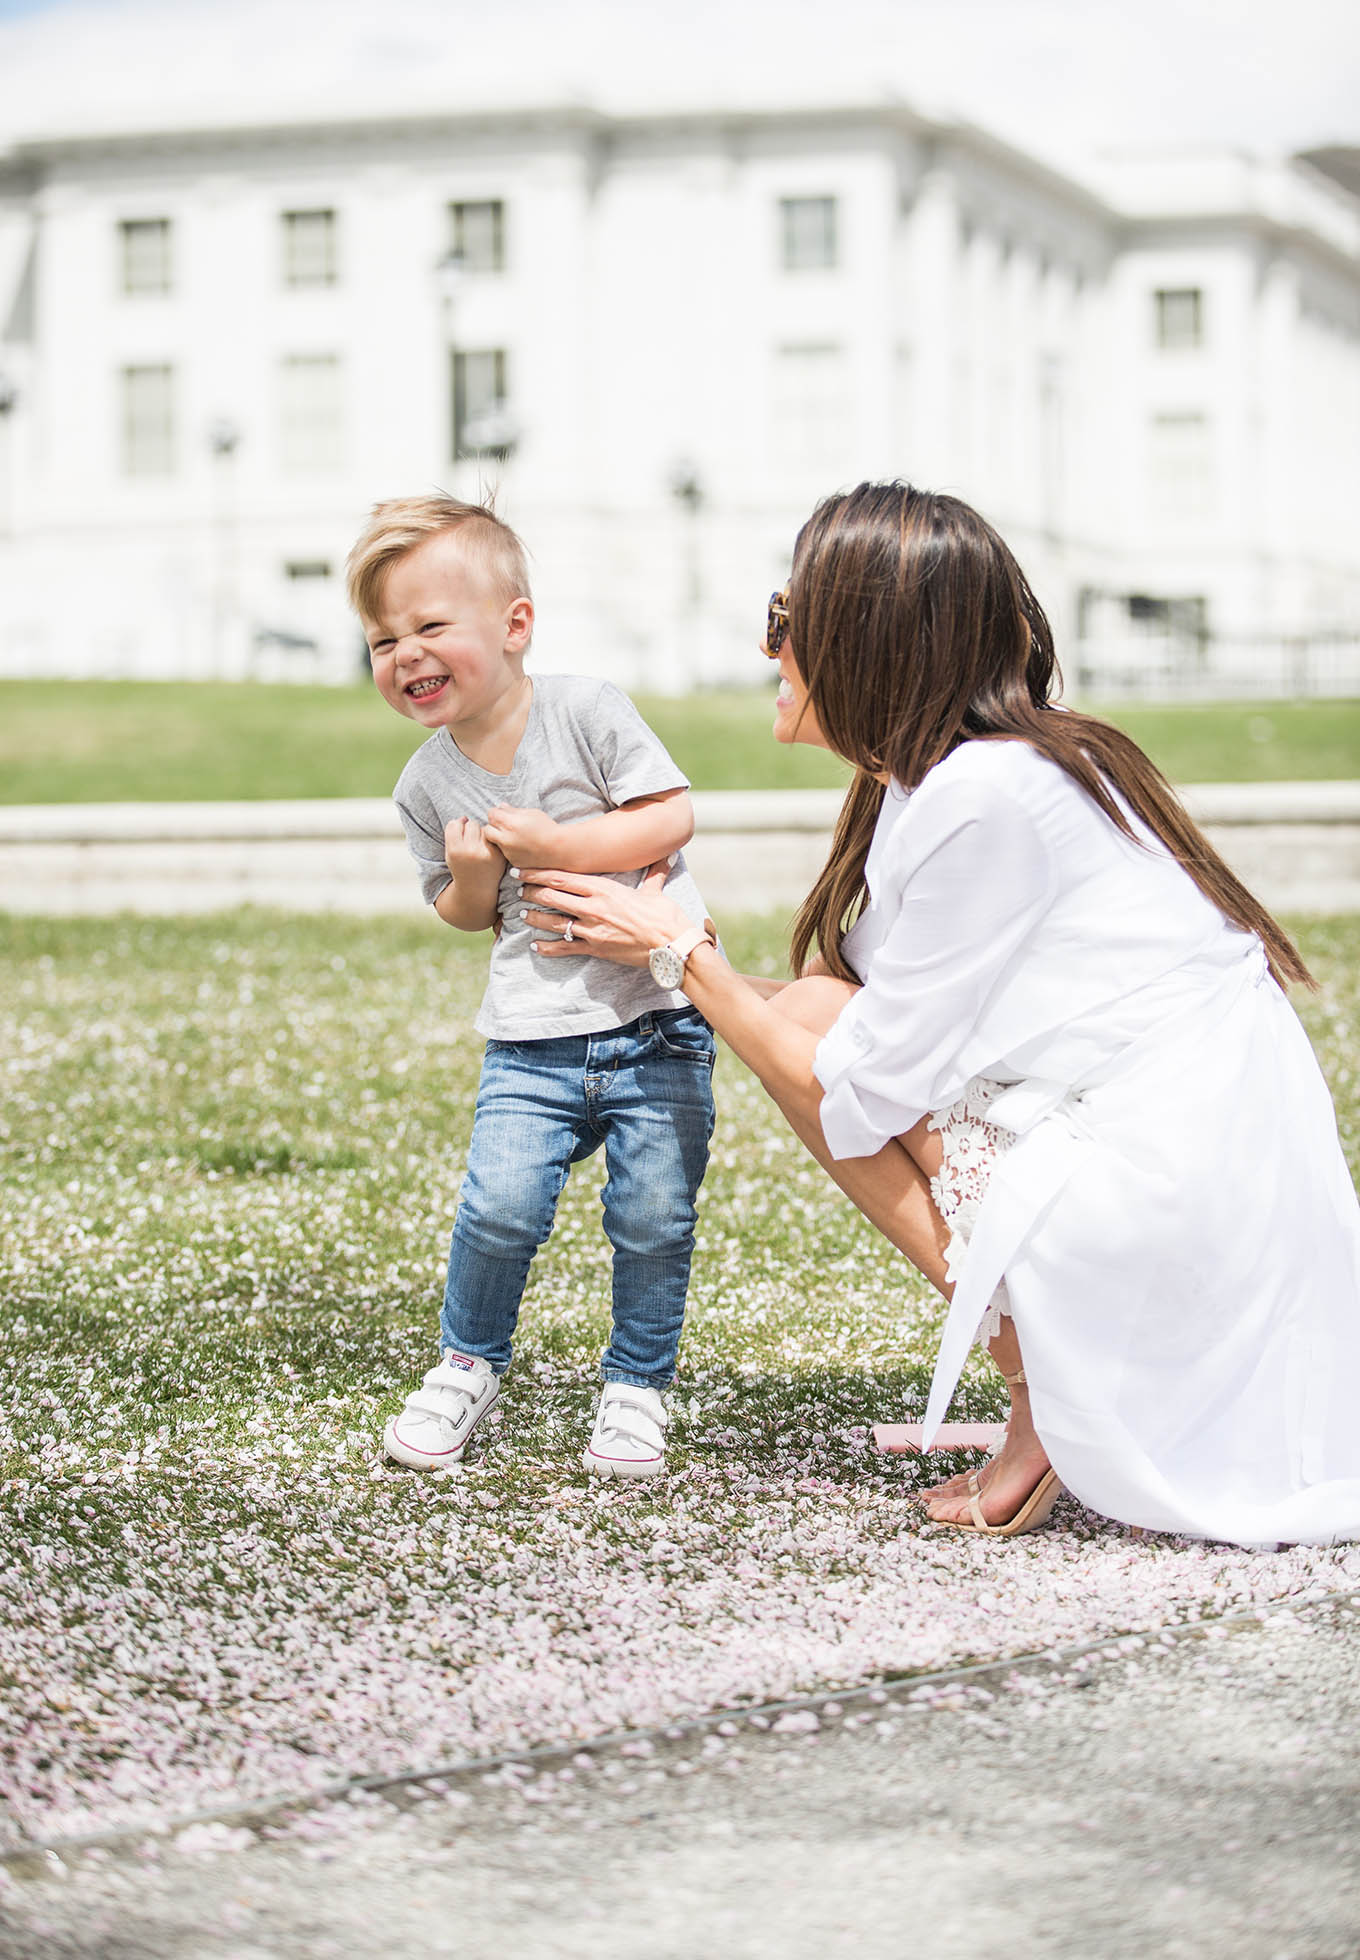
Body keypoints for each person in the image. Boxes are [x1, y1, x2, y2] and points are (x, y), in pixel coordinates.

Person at [515, 480, 1360, 1543]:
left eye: (785, 620)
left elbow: (865, 1086)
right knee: (812, 1011)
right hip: (1180, 1174)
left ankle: (1043, 1396)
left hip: (1181, 1200)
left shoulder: (987, 796)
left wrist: (680, 957)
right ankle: (1048, 1379)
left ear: (863, 641)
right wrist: (666, 959)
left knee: (816, 1045)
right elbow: (858, 1014)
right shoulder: (952, 778)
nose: (769, 647)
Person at [346, 494, 716, 1479]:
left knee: (653, 1220)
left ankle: (636, 1386)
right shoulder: (424, 784)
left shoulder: (585, 711)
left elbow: (669, 815)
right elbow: (458, 909)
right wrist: (475, 878)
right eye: (383, 640)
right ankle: (466, 1364)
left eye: (430, 626)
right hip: (529, 1036)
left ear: (515, 625)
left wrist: (557, 845)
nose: (406, 655)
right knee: (499, 1211)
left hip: (656, 1022)